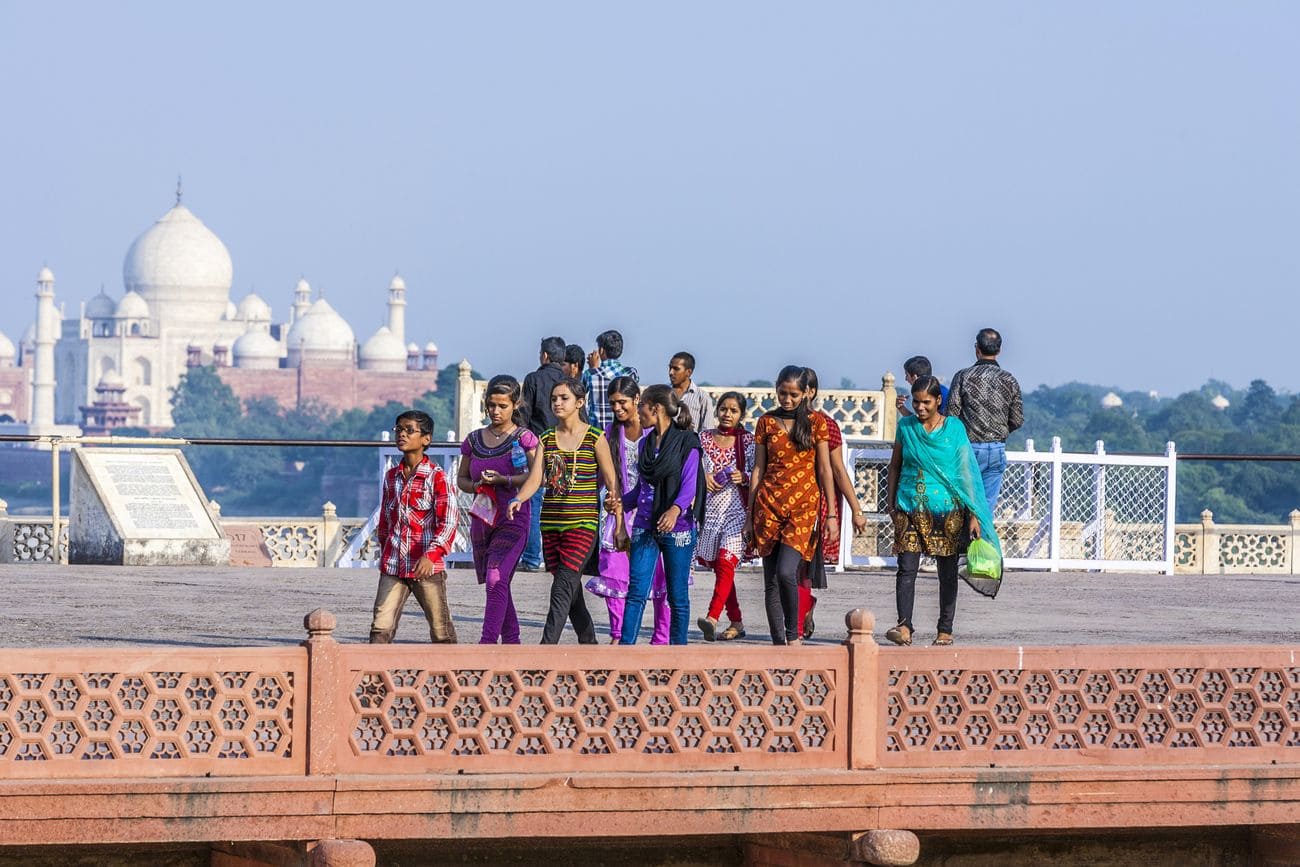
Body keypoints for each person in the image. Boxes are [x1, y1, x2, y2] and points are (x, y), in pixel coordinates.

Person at [884, 376, 1002, 646]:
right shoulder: (906, 427)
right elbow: (895, 465)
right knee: (906, 568)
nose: (920, 407)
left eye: (926, 402)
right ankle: (904, 627)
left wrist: (974, 513)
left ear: (939, 401)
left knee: (946, 571)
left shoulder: (954, 428)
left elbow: (966, 472)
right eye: (915, 401)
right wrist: (891, 503)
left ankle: (945, 628)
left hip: (947, 509)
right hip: (910, 505)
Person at [744, 366, 838, 646]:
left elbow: (825, 469)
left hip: (803, 507)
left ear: (804, 394)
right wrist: (750, 515)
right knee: (771, 579)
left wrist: (831, 514)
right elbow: (758, 469)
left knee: (787, 571)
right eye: (782, 393)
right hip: (768, 505)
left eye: (793, 394)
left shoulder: (816, 422)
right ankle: (778, 645)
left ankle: (793, 635)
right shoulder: (766, 422)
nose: (786, 399)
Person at [585, 377, 671, 644]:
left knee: (661, 575)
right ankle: (618, 634)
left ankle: (661, 637)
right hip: (620, 511)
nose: (618, 408)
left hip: (654, 510)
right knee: (615, 571)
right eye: (613, 404)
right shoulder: (609, 433)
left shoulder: (656, 432)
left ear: (637, 400)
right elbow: (601, 475)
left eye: (622, 402)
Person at [457, 375, 542, 644]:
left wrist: (504, 480)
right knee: (498, 582)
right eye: (491, 405)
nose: (495, 411)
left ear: (515, 405)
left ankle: (487, 642)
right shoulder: (473, 440)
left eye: (502, 406)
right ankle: (513, 640)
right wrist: (478, 484)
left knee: (496, 576)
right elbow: (462, 479)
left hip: (513, 517)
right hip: (483, 519)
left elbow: (535, 476)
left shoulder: (525, 439)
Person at [538, 377, 622, 644]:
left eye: (564, 398)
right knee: (571, 590)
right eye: (554, 398)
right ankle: (589, 643)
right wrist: (518, 496)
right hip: (551, 523)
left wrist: (616, 515)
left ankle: (545, 649)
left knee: (562, 586)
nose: (558, 403)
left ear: (580, 402)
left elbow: (611, 481)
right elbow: (535, 479)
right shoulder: (547, 438)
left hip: (583, 523)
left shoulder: (595, 437)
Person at [619, 384, 704, 645]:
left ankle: (678, 653)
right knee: (636, 591)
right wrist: (620, 503)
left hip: (677, 529)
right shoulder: (645, 444)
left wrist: (674, 510)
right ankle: (624, 651)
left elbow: (690, 485)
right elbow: (641, 488)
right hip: (645, 525)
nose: (638, 410)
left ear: (655, 409)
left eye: (641, 404)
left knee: (677, 596)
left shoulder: (687, 441)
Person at [369, 410, 460, 644]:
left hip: (425, 566)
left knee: (441, 630)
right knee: (380, 627)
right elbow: (386, 520)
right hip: (394, 564)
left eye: (410, 430)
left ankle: (452, 677)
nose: (402, 434)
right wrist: (386, 548)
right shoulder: (391, 477)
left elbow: (448, 522)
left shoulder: (437, 477)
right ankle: (374, 679)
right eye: (398, 429)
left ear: (426, 439)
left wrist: (431, 555)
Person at [797, 368, 869, 639]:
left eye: (797, 391)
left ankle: (798, 624)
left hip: (816, 502)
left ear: (810, 392)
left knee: (800, 565)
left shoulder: (825, 425)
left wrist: (855, 510)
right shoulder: (776, 422)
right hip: (782, 502)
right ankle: (800, 612)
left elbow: (837, 470)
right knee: (784, 567)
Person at [696, 391, 754, 642]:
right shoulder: (704, 438)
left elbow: (760, 472)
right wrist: (703, 478)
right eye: (723, 409)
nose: (727, 414)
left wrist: (746, 477)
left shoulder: (748, 442)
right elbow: (693, 467)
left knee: (725, 561)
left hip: (737, 511)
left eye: (733, 410)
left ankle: (712, 617)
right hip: (710, 511)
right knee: (722, 569)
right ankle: (737, 621)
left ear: (742, 415)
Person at [946, 328, 1024, 514]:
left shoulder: (964, 376)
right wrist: (999, 431)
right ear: (999, 350)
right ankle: (982, 541)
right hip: (997, 448)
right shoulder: (1009, 380)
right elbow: (1017, 419)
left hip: (969, 447)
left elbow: (952, 414)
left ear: (977, 348)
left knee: (965, 505)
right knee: (985, 510)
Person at [518, 336, 567, 571]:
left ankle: (531, 557)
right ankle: (557, 557)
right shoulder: (570, 382)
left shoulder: (533, 380)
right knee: (560, 504)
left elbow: (523, 416)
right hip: (565, 449)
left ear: (545, 355)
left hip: (538, 448)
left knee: (534, 504)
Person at [583, 329, 639, 430]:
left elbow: (579, 392)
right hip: (623, 431)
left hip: (597, 432)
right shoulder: (631, 373)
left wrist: (593, 369)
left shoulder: (590, 374)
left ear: (601, 351)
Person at [668, 351, 713, 434]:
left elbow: (707, 431)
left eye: (676, 369)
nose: (671, 372)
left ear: (688, 372)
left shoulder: (702, 397)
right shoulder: (665, 394)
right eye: (670, 368)